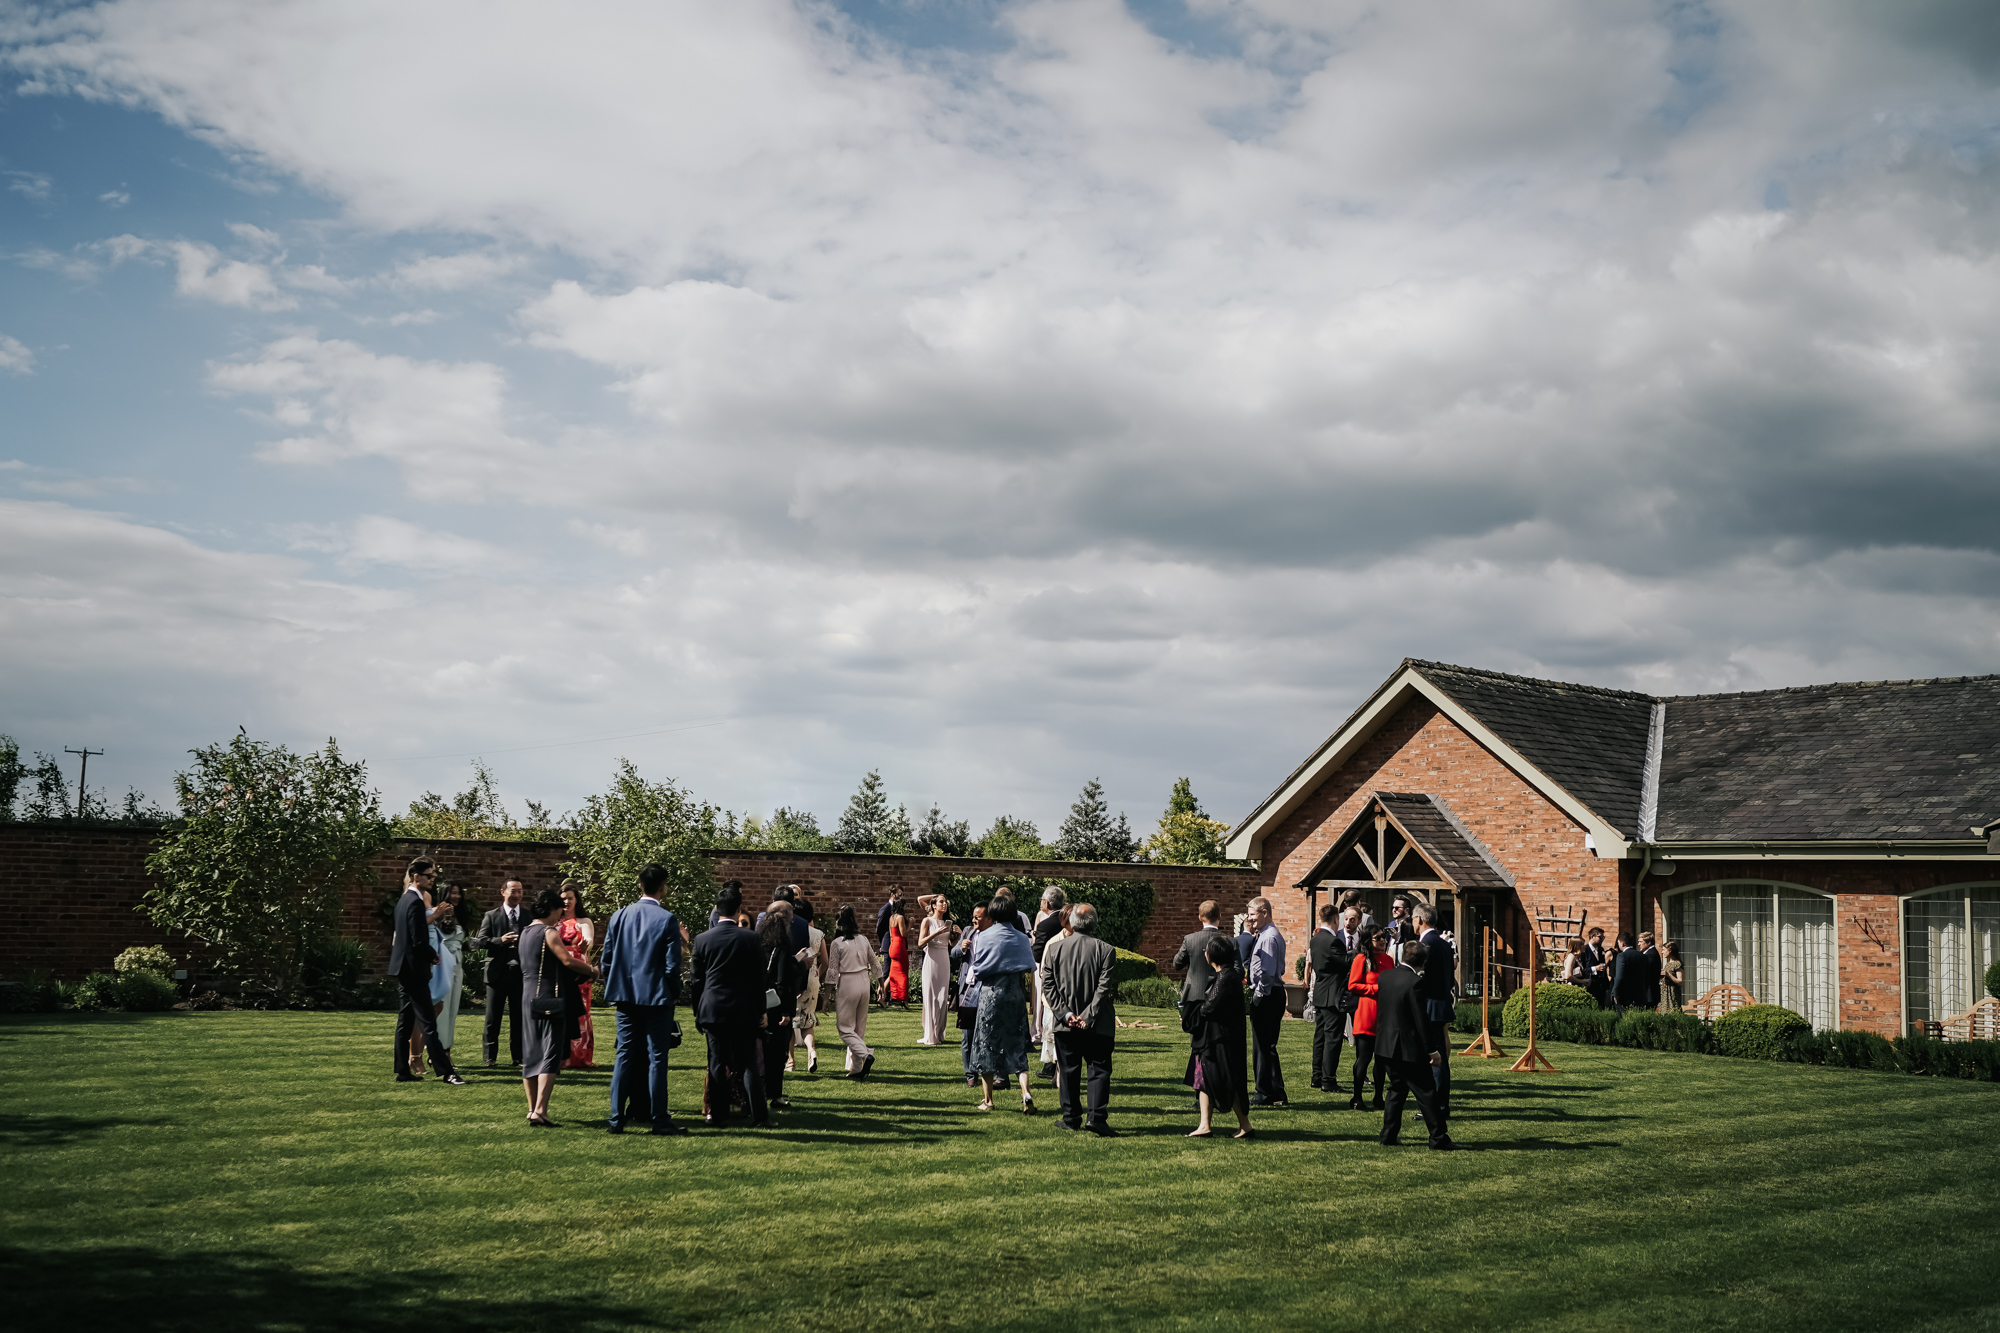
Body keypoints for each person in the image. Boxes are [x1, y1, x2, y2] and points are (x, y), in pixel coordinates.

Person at [597, 861, 687, 1136]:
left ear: (640, 885)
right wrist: (673, 992)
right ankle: (658, 1119)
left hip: (625, 996)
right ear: (663, 888)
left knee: (624, 1055)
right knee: (657, 1057)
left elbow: (607, 960)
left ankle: (616, 1119)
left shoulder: (619, 916)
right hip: (657, 997)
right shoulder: (667, 920)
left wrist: (615, 986)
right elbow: (673, 966)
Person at [688, 882, 771, 1127]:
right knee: (748, 1063)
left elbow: (696, 981)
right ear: (738, 910)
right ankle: (759, 1116)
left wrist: (698, 1011)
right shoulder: (751, 938)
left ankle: (718, 1114)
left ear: (717, 908)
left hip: (712, 1008)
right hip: (743, 1008)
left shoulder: (702, 939)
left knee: (716, 1061)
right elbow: (759, 979)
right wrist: (761, 1009)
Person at [1040, 902, 1118, 1135]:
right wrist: (1088, 1015)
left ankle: (1071, 1117)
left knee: (1069, 1071)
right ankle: (1096, 1118)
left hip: (1066, 1025)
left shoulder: (1054, 949)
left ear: (1072, 922)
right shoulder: (1106, 950)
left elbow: (1048, 985)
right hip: (1098, 1024)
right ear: (1094, 922)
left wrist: (1066, 1014)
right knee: (1099, 1070)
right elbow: (1103, 989)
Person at [520, 886, 596, 1126]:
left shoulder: (524, 931)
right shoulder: (548, 932)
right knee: (550, 1052)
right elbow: (567, 960)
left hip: (527, 995)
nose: (559, 917)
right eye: (558, 912)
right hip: (549, 996)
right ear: (551, 909)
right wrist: (593, 971)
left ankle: (531, 1109)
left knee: (531, 1053)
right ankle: (541, 1110)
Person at [1374, 939, 1455, 1150]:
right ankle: (1438, 1137)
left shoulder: (1385, 977)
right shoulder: (1415, 983)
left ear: (1403, 957)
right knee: (1426, 1091)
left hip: (1385, 1044)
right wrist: (1433, 1050)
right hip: (1407, 1048)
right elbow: (1421, 1020)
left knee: (1396, 1090)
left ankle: (1388, 1135)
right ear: (1423, 962)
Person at [391, 857, 464, 1086]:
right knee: (428, 1022)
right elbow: (416, 938)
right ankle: (446, 1072)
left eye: (433, 875)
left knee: (405, 1022)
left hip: (404, 967)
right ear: (416, 876)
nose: (432, 879)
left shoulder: (404, 899)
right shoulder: (413, 902)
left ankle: (402, 1070)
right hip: (415, 969)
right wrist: (432, 955)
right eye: (429, 875)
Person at [968, 896, 1038, 1114]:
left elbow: (979, 968)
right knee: (1017, 1043)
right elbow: (1029, 966)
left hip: (991, 994)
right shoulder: (1021, 938)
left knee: (986, 1045)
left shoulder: (985, 935)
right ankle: (1025, 1091)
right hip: (1015, 994)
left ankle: (988, 1100)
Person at [1184, 935, 1252, 1139]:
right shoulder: (1225, 975)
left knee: (1222, 1079)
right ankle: (1206, 1125)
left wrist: (1189, 1013)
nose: (1205, 953)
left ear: (1213, 955)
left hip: (1222, 1040)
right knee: (1205, 1078)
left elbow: (1209, 1008)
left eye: (1207, 950)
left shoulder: (1226, 977)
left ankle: (1244, 1125)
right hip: (1215, 1037)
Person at [1236, 896, 1288, 1107]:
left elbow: (1266, 972)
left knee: (1262, 1046)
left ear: (1264, 912)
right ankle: (1276, 1092)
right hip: (1272, 993)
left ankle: (1264, 1093)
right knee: (1268, 1046)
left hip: (1267, 994)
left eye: (1252, 914)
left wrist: (1258, 996)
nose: (1249, 919)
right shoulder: (1268, 934)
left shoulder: (1267, 937)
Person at [474, 878, 529, 1067]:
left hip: (520, 973)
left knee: (519, 1017)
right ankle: (490, 1057)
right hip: (497, 973)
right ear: (503, 892)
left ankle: (519, 1057)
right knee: (492, 1018)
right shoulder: (491, 916)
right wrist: (500, 940)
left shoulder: (528, 916)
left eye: (520, 891)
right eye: (513, 891)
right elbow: (481, 941)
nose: (517, 895)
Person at [757, 903, 803, 1111]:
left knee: (761, 1051)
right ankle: (775, 1094)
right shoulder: (782, 944)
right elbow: (783, 980)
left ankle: (758, 1092)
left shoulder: (757, 940)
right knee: (778, 1053)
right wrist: (801, 964)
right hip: (777, 1004)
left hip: (759, 1001)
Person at [1411, 902, 1455, 1120]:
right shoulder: (1444, 943)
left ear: (1420, 920)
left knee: (1432, 1060)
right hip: (1440, 1004)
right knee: (1439, 1060)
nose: (1412, 923)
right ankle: (1439, 1106)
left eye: (1413, 919)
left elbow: (1420, 980)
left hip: (1429, 1007)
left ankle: (1435, 1107)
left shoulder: (1426, 945)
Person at [420, 883, 468, 1070]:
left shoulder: (460, 915)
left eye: (458, 893)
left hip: (457, 965)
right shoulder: (435, 914)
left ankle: (446, 1050)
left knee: (453, 1010)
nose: (456, 896)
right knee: (441, 1008)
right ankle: (439, 1052)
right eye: (452, 893)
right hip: (441, 965)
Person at [1307, 904, 1355, 1094]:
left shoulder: (1315, 938)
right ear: (1336, 920)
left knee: (1319, 1037)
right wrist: (1357, 954)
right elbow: (1344, 963)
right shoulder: (1333, 941)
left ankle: (1316, 1076)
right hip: (1332, 995)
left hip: (1320, 992)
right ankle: (1328, 1080)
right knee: (1333, 1039)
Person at [828, 905, 878, 1079]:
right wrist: (880, 985)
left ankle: (865, 1055)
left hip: (848, 982)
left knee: (844, 1028)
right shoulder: (863, 939)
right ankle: (856, 1068)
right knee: (859, 1028)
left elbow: (832, 971)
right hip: (864, 981)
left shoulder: (837, 943)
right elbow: (875, 962)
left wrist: (826, 996)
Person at [1346, 927, 1393, 1110]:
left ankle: (1378, 1097)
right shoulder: (1361, 959)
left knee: (1381, 1059)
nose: (1382, 940)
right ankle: (1357, 1097)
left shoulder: (1388, 960)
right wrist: (1374, 989)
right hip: (1366, 1013)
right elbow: (1353, 985)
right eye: (1378, 938)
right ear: (1368, 940)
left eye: (1384, 937)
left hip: (1385, 1013)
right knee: (1363, 1058)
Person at [558, 883, 597, 1069]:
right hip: (559, 970)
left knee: (581, 1012)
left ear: (576, 900)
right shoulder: (554, 922)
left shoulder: (583, 921)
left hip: (579, 971)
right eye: (563, 898)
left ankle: (579, 1057)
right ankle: (562, 1055)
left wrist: (584, 945)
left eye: (570, 898)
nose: (566, 901)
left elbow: (589, 940)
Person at [1031, 887, 1068, 1075]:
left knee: (1049, 1014)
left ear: (1047, 903)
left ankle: (1051, 1065)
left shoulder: (1046, 925)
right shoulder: (1069, 920)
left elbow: (1037, 954)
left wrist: (1033, 940)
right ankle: (1051, 1065)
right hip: (1069, 976)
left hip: (1050, 974)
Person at [951, 903, 989, 1085]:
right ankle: (970, 1075)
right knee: (967, 1034)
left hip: (986, 987)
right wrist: (962, 948)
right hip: (968, 989)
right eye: (973, 916)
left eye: (978, 917)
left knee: (985, 1033)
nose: (974, 920)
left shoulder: (993, 935)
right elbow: (953, 953)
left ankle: (987, 1072)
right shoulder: (967, 931)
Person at [790, 898, 827, 1073]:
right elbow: (825, 962)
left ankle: (790, 1061)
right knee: (807, 1021)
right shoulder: (818, 934)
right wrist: (816, 975)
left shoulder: (794, 931)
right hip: (813, 979)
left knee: (790, 1021)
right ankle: (811, 1051)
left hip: (797, 976)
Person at [1171, 900, 1224, 1027]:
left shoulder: (1190, 940)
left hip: (1194, 994)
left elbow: (1177, 964)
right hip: (1220, 994)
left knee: (1196, 1036)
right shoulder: (1229, 941)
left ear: (1200, 917)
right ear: (1220, 916)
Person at [916, 893, 956, 1045]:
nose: (944, 904)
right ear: (933, 905)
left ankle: (939, 1033)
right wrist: (936, 933)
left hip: (944, 959)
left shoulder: (948, 922)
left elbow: (952, 944)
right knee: (931, 995)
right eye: (941, 902)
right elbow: (920, 943)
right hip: (931, 959)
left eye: (945, 902)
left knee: (942, 996)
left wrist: (955, 935)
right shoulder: (927, 921)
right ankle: (929, 1034)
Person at [884, 892, 911, 1010]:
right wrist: (910, 924)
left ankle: (894, 996)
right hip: (900, 946)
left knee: (893, 973)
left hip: (892, 946)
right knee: (903, 972)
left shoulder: (891, 918)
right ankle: (904, 999)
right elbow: (903, 933)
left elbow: (891, 934)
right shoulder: (900, 918)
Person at [1611, 931, 1648, 1016]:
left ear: (1622, 943)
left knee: (1623, 1021)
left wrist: (1615, 993)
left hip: (1625, 996)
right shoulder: (1643, 956)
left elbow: (1619, 977)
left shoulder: (1622, 956)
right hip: (1640, 995)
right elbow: (1647, 977)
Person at [1580, 927, 1611, 1008]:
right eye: (1600, 937)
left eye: (1603, 937)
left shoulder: (1601, 950)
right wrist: (1595, 968)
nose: (1602, 939)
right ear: (1592, 936)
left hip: (1601, 985)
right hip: (1589, 985)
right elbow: (1581, 970)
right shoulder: (1584, 950)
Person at [1638, 931, 1664, 1010]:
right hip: (1646, 994)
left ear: (1648, 942)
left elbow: (1642, 971)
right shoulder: (1645, 953)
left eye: (1641, 942)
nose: (1639, 944)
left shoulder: (1651, 955)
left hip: (1649, 994)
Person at [1659, 940, 1686, 1011]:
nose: (1662, 952)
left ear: (1670, 950)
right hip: (1664, 996)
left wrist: (1668, 975)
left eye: (1664, 950)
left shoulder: (1677, 964)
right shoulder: (1668, 964)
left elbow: (1681, 982)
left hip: (1672, 996)